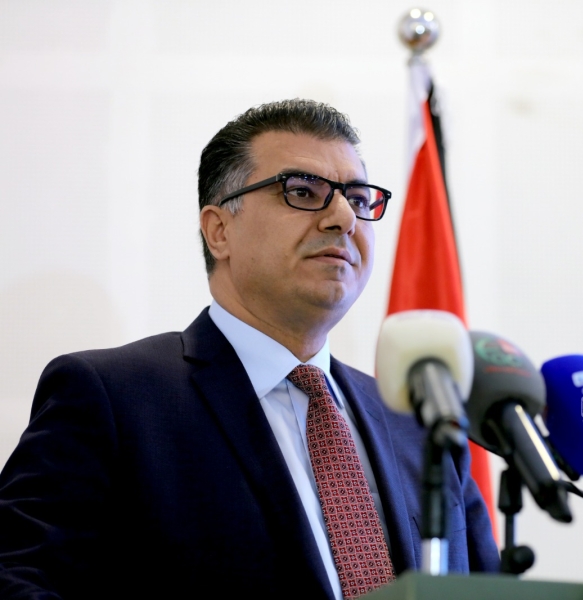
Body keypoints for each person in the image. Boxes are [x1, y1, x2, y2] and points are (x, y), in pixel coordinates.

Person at [0, 99, 499, 599]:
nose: (344, 218)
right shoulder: (114, 399)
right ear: (219, 231)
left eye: (358, 199)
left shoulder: (422, 426)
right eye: (303, 192)